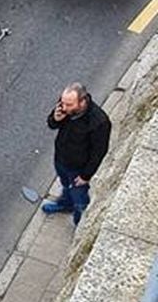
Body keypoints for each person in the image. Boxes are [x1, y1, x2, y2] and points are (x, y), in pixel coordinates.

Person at [43, 83, 111, 225]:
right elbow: (52, 124)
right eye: (63, 103)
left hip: (78, 168)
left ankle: (79, 222)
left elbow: (99, 152)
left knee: (79, 196)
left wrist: (86, 175)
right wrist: (55, 119)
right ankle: (65, 205)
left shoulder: (99, 122)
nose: (64, 108)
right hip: (61, 159)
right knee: (65, 185)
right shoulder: (65, 106)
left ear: (82, 101)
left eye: (69, 105)